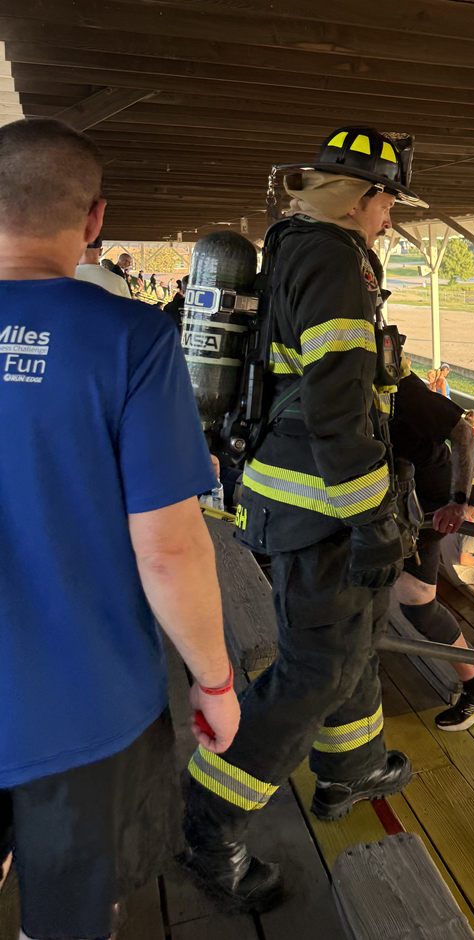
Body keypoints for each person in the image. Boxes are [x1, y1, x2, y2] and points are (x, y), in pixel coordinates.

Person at [0, 117, 238, 940]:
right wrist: (214, 681)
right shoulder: (132, 339)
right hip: (84, 710)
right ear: (94, 219)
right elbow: (169, 547)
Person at [181, 125, 427, 910]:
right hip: (321, 505)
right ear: (369, 198)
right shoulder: (332, 260)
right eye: (389, 204)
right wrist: (372, 521)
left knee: (345, 642)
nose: (390, 219)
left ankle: (351, 767)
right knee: (314, 670)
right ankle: (210, 827)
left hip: (291, 496)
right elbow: (338, 402)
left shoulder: (294, 242)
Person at [389, 366, 474, 730]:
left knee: (417, 600)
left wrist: (458, 499)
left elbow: (462, 431)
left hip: (424, 502)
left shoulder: (396, 387)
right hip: (395, 497)